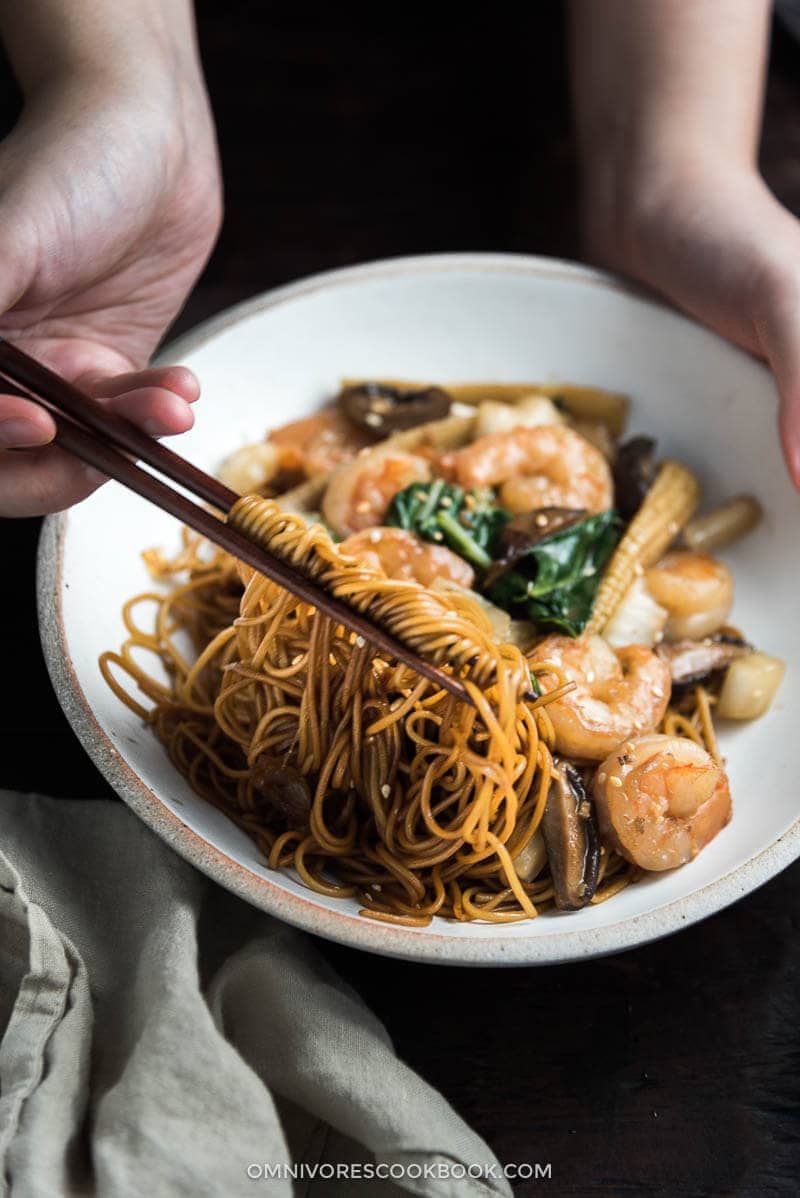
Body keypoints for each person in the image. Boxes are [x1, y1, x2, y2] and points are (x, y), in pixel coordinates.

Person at [0, 0, 797, 519]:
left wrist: (702, 193)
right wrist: (126, 93)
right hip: (139, 238)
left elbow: (666, 171)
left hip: (549, 167)